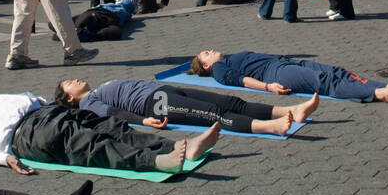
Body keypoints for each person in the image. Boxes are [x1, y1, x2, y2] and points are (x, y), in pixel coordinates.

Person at [0, 92, 219, 175]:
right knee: (91, 144)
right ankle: (154, 162)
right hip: (27, 132)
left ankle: (180, 145)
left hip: (43, 112)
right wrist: (3, 159)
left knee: (112, 127)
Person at [55, 77, 319, 136]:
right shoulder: (89, 102)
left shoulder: (97, 89)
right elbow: (111, 114)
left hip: (164, 91)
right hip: (155, 104)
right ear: (69, 99)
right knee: (214, 115)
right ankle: (269, 127)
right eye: (69, 83)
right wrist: (141, 120)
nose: (75, 80)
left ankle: (289, 111)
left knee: (229, 102)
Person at [190, 50, 388, 103]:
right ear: (207, 65)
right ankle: (381, 93)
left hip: (284, 63)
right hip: (276, 73)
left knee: (336, 72)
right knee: (325, 82)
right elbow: (241, 81)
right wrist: (268, 87)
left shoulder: (225, 60)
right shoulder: (219, 70)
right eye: (206, 53)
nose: (210, 49)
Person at [64, 0, 141, 41]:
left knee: (121, 7)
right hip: (113, 14)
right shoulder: (91, 31)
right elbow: (116, 32)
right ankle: (130, 2)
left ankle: (127, 2)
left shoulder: (74, 25)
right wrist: (94, 35)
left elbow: (55, 27)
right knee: (124, 8)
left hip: (99, 9)